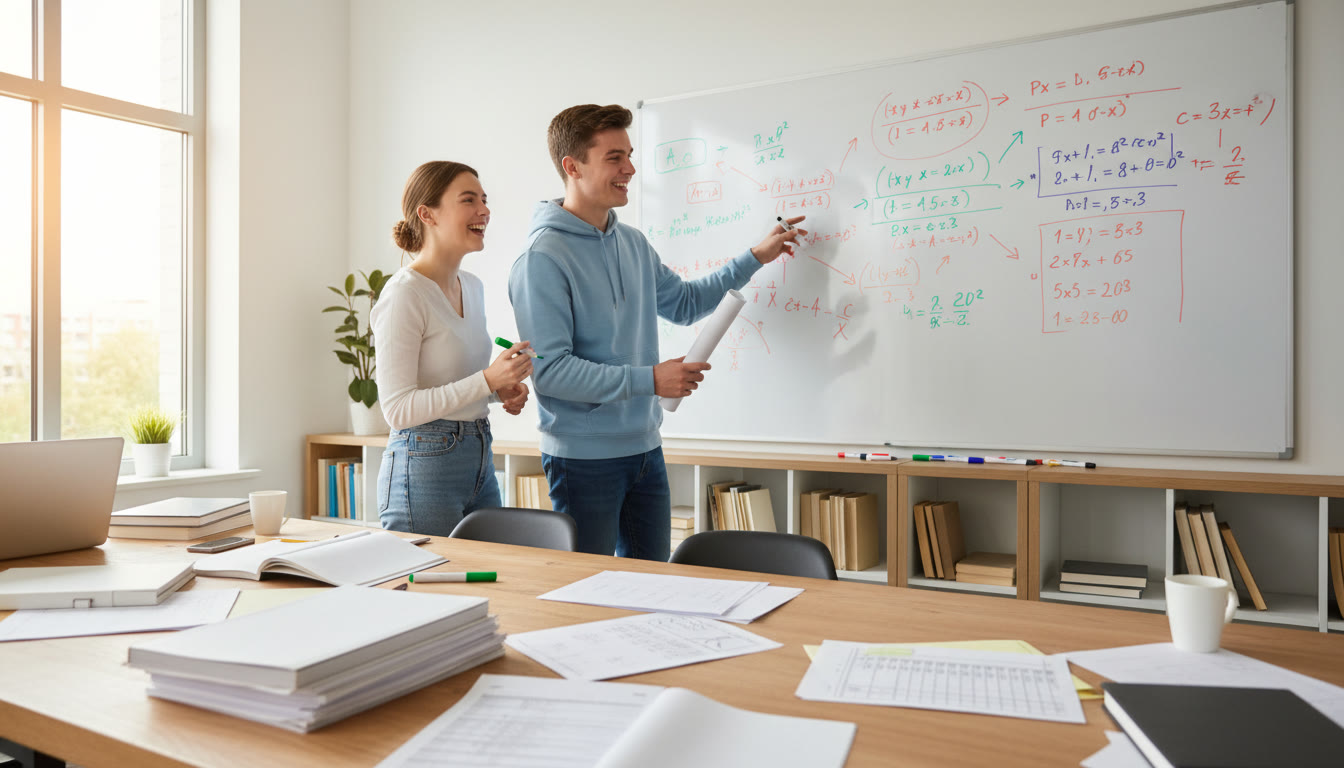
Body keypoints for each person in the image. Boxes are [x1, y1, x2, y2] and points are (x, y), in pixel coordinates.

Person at [508, 104, 805, 560]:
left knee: (651, 586)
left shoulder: (632, 243)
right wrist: (649, 380)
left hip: (645, 450)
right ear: (572, 166)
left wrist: (755, 257)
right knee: (590, 594)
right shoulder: (542, 258)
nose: (630, 168)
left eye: (629, 155)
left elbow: (685, 304)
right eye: (614, 158)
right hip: (583, 460)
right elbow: (552, 373)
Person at [372, 161, 532, 536]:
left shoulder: (472, 287)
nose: (484, 210)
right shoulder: (404, 294)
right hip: (424, 465)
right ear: (427, 214)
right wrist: (486, 379)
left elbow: (454, 384)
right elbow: (397, 410)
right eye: (468, 200)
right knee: (430, 590)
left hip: (478, 457)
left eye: (484, 199)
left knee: (488, 582)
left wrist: (497, 389)